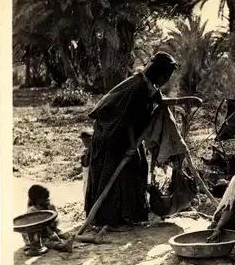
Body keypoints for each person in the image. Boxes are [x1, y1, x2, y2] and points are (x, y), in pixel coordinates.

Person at [85, 52, 202, 232]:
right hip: (111, 134)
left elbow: (161, 102)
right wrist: (132, 146)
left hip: (125, 134)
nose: (166, 79)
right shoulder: (138, 86)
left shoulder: (149, 84)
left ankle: (129, 215)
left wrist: (187, 100)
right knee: (117, 174)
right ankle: (111, 220)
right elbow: (127, 120)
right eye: (166, 75)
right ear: (158, 72)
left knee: (138, 168)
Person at [22, 185, 74, 256]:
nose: (48, 200)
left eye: (48, 198)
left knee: (64, 233)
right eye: (45, 199)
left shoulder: (47, 206)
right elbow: (41, 225)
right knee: (46, 242)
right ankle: (63, 246)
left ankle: (90, 238)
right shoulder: (32, 210)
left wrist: (54, 213)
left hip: (48, 231)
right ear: (37, 200)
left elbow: (55, 224)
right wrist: (51, 234)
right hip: (35, 235)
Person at [79, 129, 93, 195]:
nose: (85, 143)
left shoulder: (95, 150)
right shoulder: (85, 151)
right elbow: (85, 164)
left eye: (87, 141)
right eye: (84, 141)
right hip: (87, 175)